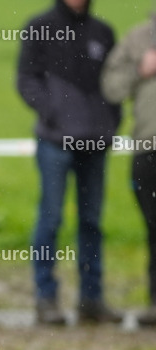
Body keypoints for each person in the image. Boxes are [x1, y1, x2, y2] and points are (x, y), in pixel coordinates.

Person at [17, 0, 123, 325]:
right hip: (55, 141)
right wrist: (53, 113)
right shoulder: (39, 27)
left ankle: (91, 299)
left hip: (95, 141)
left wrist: (109, 122)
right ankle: (46, 297)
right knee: (50, 219)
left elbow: (114, 85)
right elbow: (26, 80)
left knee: (91, 222)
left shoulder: (103, 33)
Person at [101, 13, 156, 327]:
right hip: (149, 150)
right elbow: (112, 88)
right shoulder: (138, 39)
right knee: (154, 228)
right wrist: (141, 70)